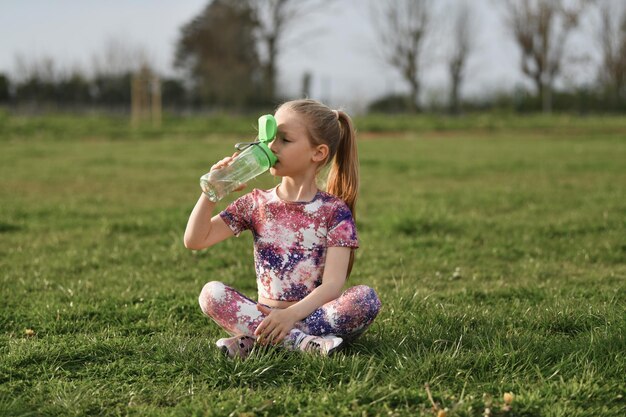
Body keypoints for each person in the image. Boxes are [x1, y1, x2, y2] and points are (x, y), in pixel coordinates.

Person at [184, 99, 381, 359]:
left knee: (365, 299)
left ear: (318, 153)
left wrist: (290, 316)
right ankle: (303, 344)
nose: (272, 147)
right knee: (211, 294)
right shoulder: (255, 203)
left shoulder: (334, 211)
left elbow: (333, 285)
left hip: (314, 316)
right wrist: (212, 190)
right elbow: (195, 240)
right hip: (265, 313)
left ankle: (258, 340)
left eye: (285, 140)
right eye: (270, 138)